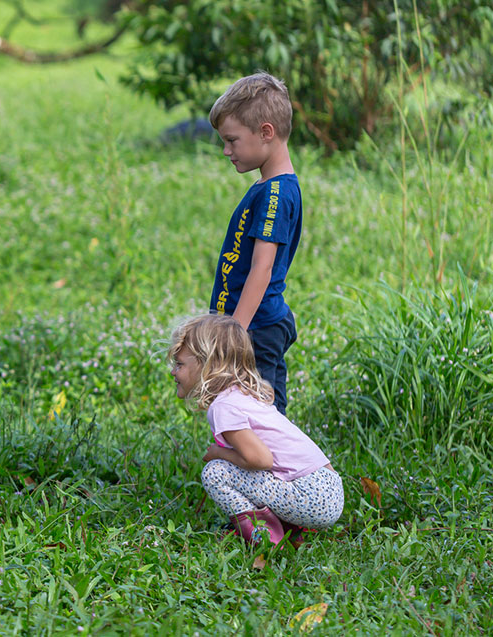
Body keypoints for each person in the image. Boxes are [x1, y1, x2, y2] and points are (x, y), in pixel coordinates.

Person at [169, 314, 342, 546]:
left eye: (179, 364)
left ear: (207, 364)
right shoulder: (240, 395)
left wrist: (218, 453)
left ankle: (264, 537)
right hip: (326, 489)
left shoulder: (224, 406)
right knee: (231, 467)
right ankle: (289, 529)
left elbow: (261, 459)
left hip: (312, 495)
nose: (173, 372)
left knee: (216, 472)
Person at [207, 72, 302, 415]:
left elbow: (262, 268)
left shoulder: (274, 194)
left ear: (266, 133)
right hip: (254, 326)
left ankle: (280, 467)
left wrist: (235, 333)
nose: (225, 150)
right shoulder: (269, 188)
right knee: (258, 408)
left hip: (256, 330)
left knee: (260, 415)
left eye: (232, 140)